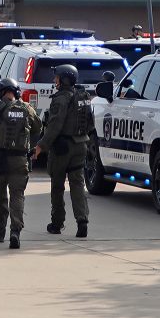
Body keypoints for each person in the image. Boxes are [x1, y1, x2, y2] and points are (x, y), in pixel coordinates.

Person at [0, 77, 42, 250]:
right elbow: (38, 128)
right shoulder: (27, 109)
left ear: (1, 92)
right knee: (17, 195)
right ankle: (15, 232)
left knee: (0, 196)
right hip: (20, 159)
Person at [33, 64, 91, 238]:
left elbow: (54, 126)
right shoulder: (84, 97)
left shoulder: (60, 99)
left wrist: (41, 145)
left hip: (62, 148)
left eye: (57, 77)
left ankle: (57, 223)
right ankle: (82, 221)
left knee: (57, 186)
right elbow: (90, 124)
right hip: (81, 145)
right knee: (77, 184)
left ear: (64, 79)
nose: (54, 81)